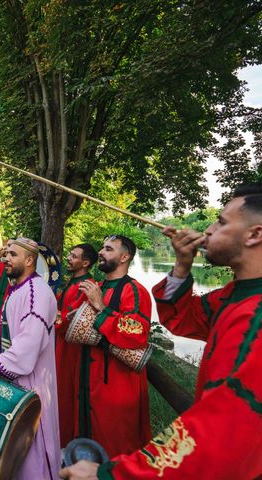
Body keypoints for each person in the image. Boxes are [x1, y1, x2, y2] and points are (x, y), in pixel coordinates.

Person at [60, 184, 262, 479]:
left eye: (220, 221)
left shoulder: (255, 315)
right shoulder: (232, 295)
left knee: (116, 442)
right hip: (87, 380)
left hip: (117, 387)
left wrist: (113, 474)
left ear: (254, 234)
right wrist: (181, 265)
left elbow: (223, 428)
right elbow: (181, 318)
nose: (207, 228)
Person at [0, 238, 60, 479]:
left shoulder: (36, 292)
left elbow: (29, 343)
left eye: (13, 255)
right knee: (15, 445)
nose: (6, 258)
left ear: (30, 260)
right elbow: (8, 334)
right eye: (6, 254)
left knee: (33, 444)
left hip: (33, 382)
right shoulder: (19, 288)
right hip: (17, 378)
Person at [75, 235, 152, 458]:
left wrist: (100, 307)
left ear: (124, 257)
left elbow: (136, 334)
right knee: (88, 445)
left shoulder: (134, 290)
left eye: (108, 249)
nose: (101, 251)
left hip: (116, 386)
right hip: (88, 381)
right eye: (102, 247)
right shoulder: (96, 286)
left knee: (117, 448)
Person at [55, 243, 98, 448]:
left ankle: (66, 441)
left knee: (66, 392)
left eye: (74, 256)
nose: (69, 258)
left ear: (86, 263)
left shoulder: (86, 285)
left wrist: (51, 318)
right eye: (70, 255)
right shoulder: (73, 282)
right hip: (61, 344)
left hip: (71, 349)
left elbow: (70, 320)